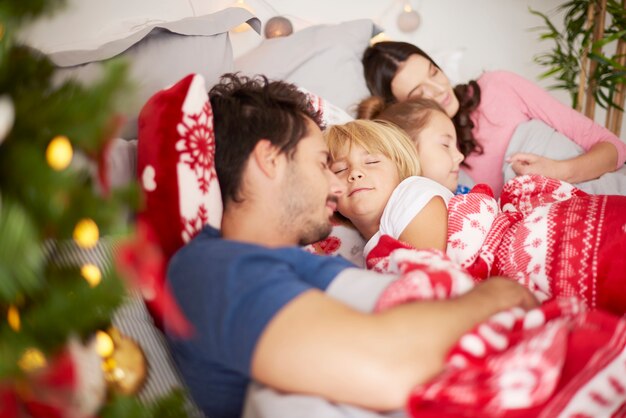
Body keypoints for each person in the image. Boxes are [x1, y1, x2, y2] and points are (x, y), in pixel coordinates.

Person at [163, 73, 538, 418]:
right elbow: (386, 370)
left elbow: (415, 301)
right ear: (270, 160)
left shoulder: (305, 265)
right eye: (324, 164)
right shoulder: (211, 268)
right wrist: (495, 296)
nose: (338, 186)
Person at [361, 41, 626, 196]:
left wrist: (558, 171)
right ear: (404, 109)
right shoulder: (432, 166)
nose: (439, 90)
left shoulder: (498, 86)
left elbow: (613, 146)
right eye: (420, 92)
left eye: (434, 72)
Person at [325, 117, 455, 256]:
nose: (355, 173)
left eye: (371, 162)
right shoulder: (366, 258)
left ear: (401, 170)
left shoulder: (414, 196)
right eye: (339, 170)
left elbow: (432, 274)